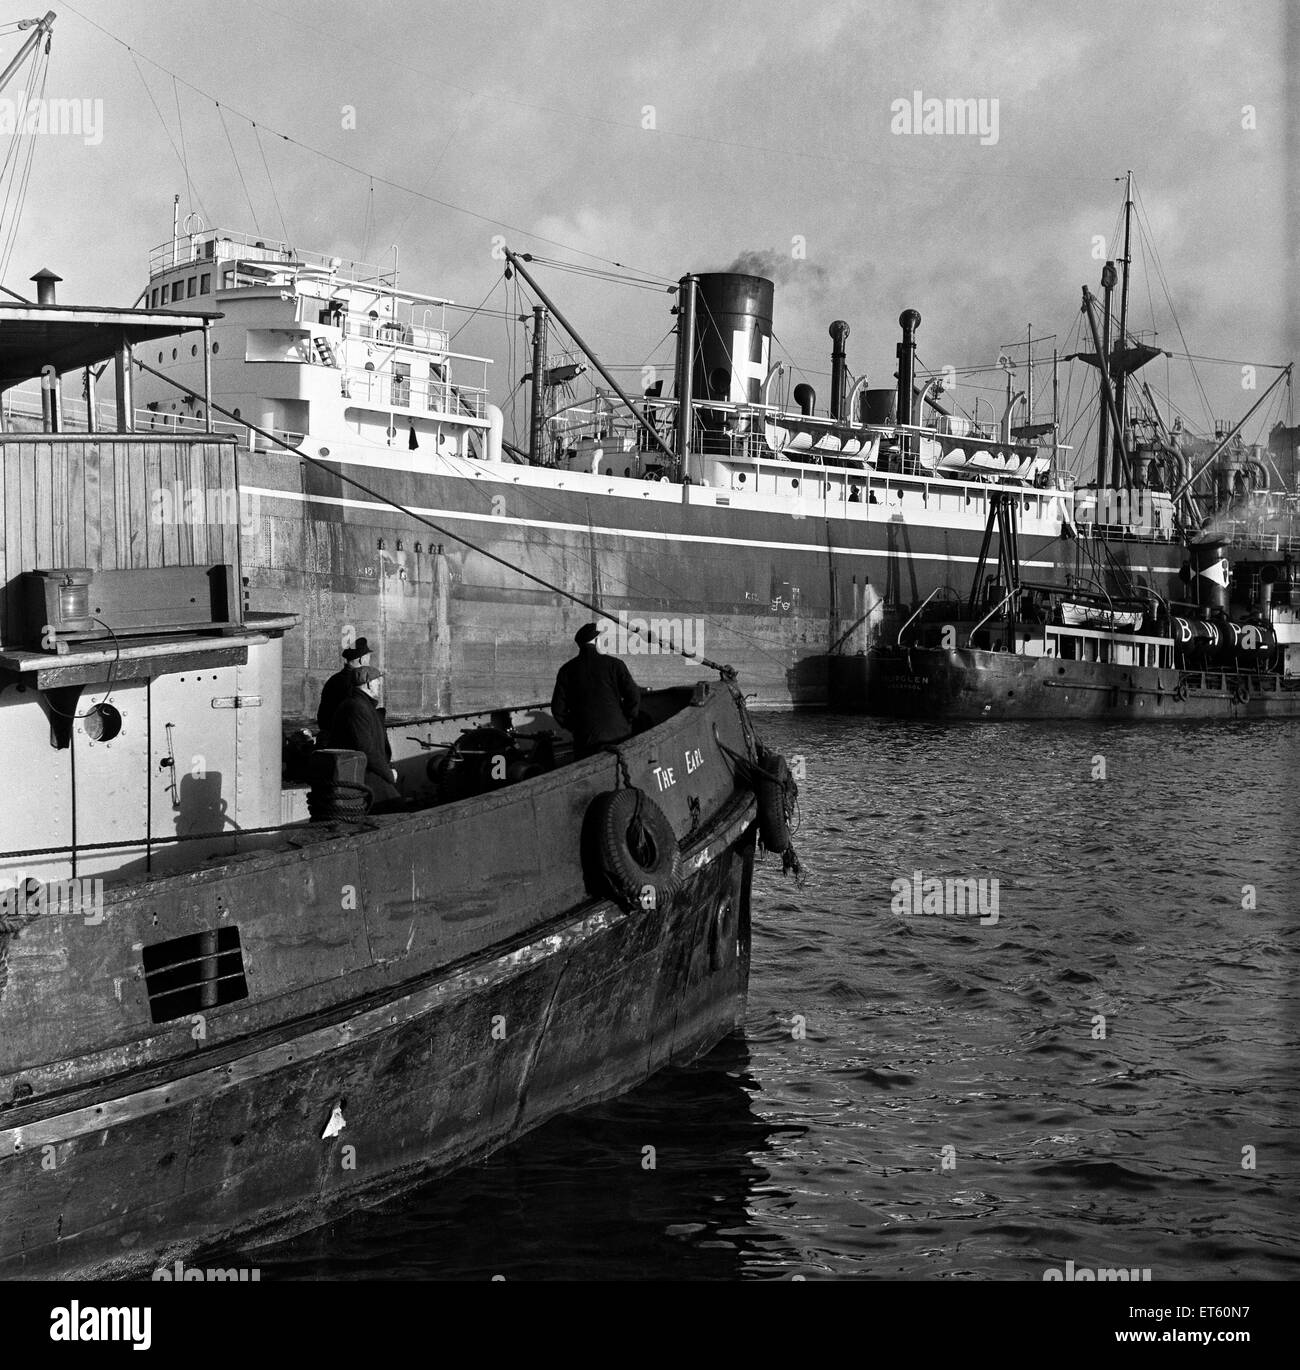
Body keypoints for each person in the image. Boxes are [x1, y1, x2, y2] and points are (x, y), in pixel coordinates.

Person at [551, 622, 642, 759]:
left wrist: (576, 728)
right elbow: (633, 695)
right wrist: (627, 719)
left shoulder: (566, 670)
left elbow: (558, 709)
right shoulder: (615, 664)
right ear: (597, 640)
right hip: (618, 734)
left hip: (586, 740)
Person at [328, 665, 401, 807]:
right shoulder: (356, 708)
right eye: (377, 682)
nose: (380, 685)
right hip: (362, 776)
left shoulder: (362, 706)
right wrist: (388, 774)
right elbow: (366, 748)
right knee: (396, 808)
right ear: (368, 683)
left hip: (367, 772)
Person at [317, 636, 371, 740]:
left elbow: (323, 715)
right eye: (368, 657)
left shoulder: (333, 680)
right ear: (361, 659)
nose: (369, 660)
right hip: (348, 738)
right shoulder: (358, 683)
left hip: (332, 736)